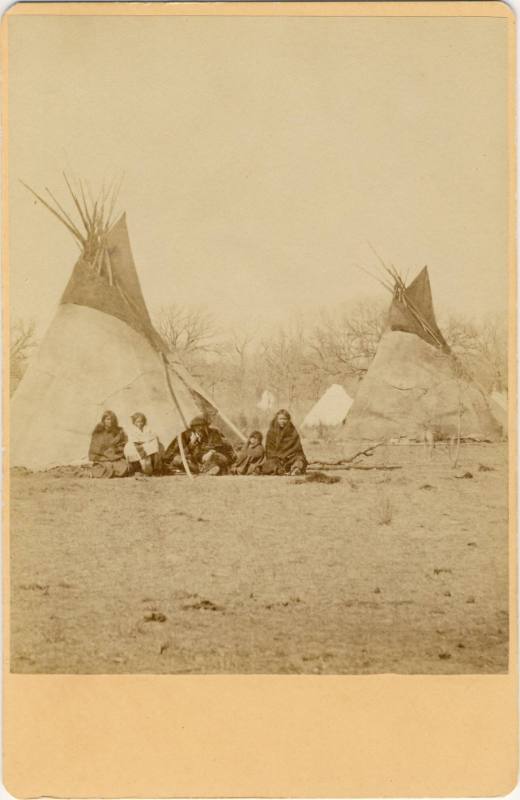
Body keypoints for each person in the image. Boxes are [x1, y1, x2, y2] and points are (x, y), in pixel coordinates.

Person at [164, 415, 235, 475]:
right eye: (197, 426)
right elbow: (177, 452)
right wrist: (191, 444)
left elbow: (217, 446)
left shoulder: (214, 432)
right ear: (193, 427)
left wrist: (210, 452)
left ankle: (207, 469)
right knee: (180, 460)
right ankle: (204, 470)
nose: (200, 428)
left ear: (206, 426)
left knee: (215, 457)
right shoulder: (186, 435)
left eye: (202, 426)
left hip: (213, 456)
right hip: (195, 460)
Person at [261, 409, 307, 475]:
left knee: (300, 458)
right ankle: (279, 470)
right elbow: (269, 450)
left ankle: (296, 469)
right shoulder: (271, 432)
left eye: (285, 419)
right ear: (276, 419)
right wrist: (278, 457)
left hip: (290, 458)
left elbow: (298, 449)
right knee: (269, 464)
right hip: (276, 459)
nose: (282, 421)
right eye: (280, 419)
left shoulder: (293, 431)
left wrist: (288, 455)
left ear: (288, 420)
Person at [88, 410, 128, 478]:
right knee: (104, 468)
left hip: (115, 458)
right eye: (108, 419)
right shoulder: (98, 432)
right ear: (103, 420)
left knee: (123, 468)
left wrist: (113, 452)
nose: (110, 421)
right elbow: (94, 448)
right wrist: (106, 455)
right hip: (102, 459)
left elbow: (122, 445)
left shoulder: (119, 432)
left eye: (112, 419)